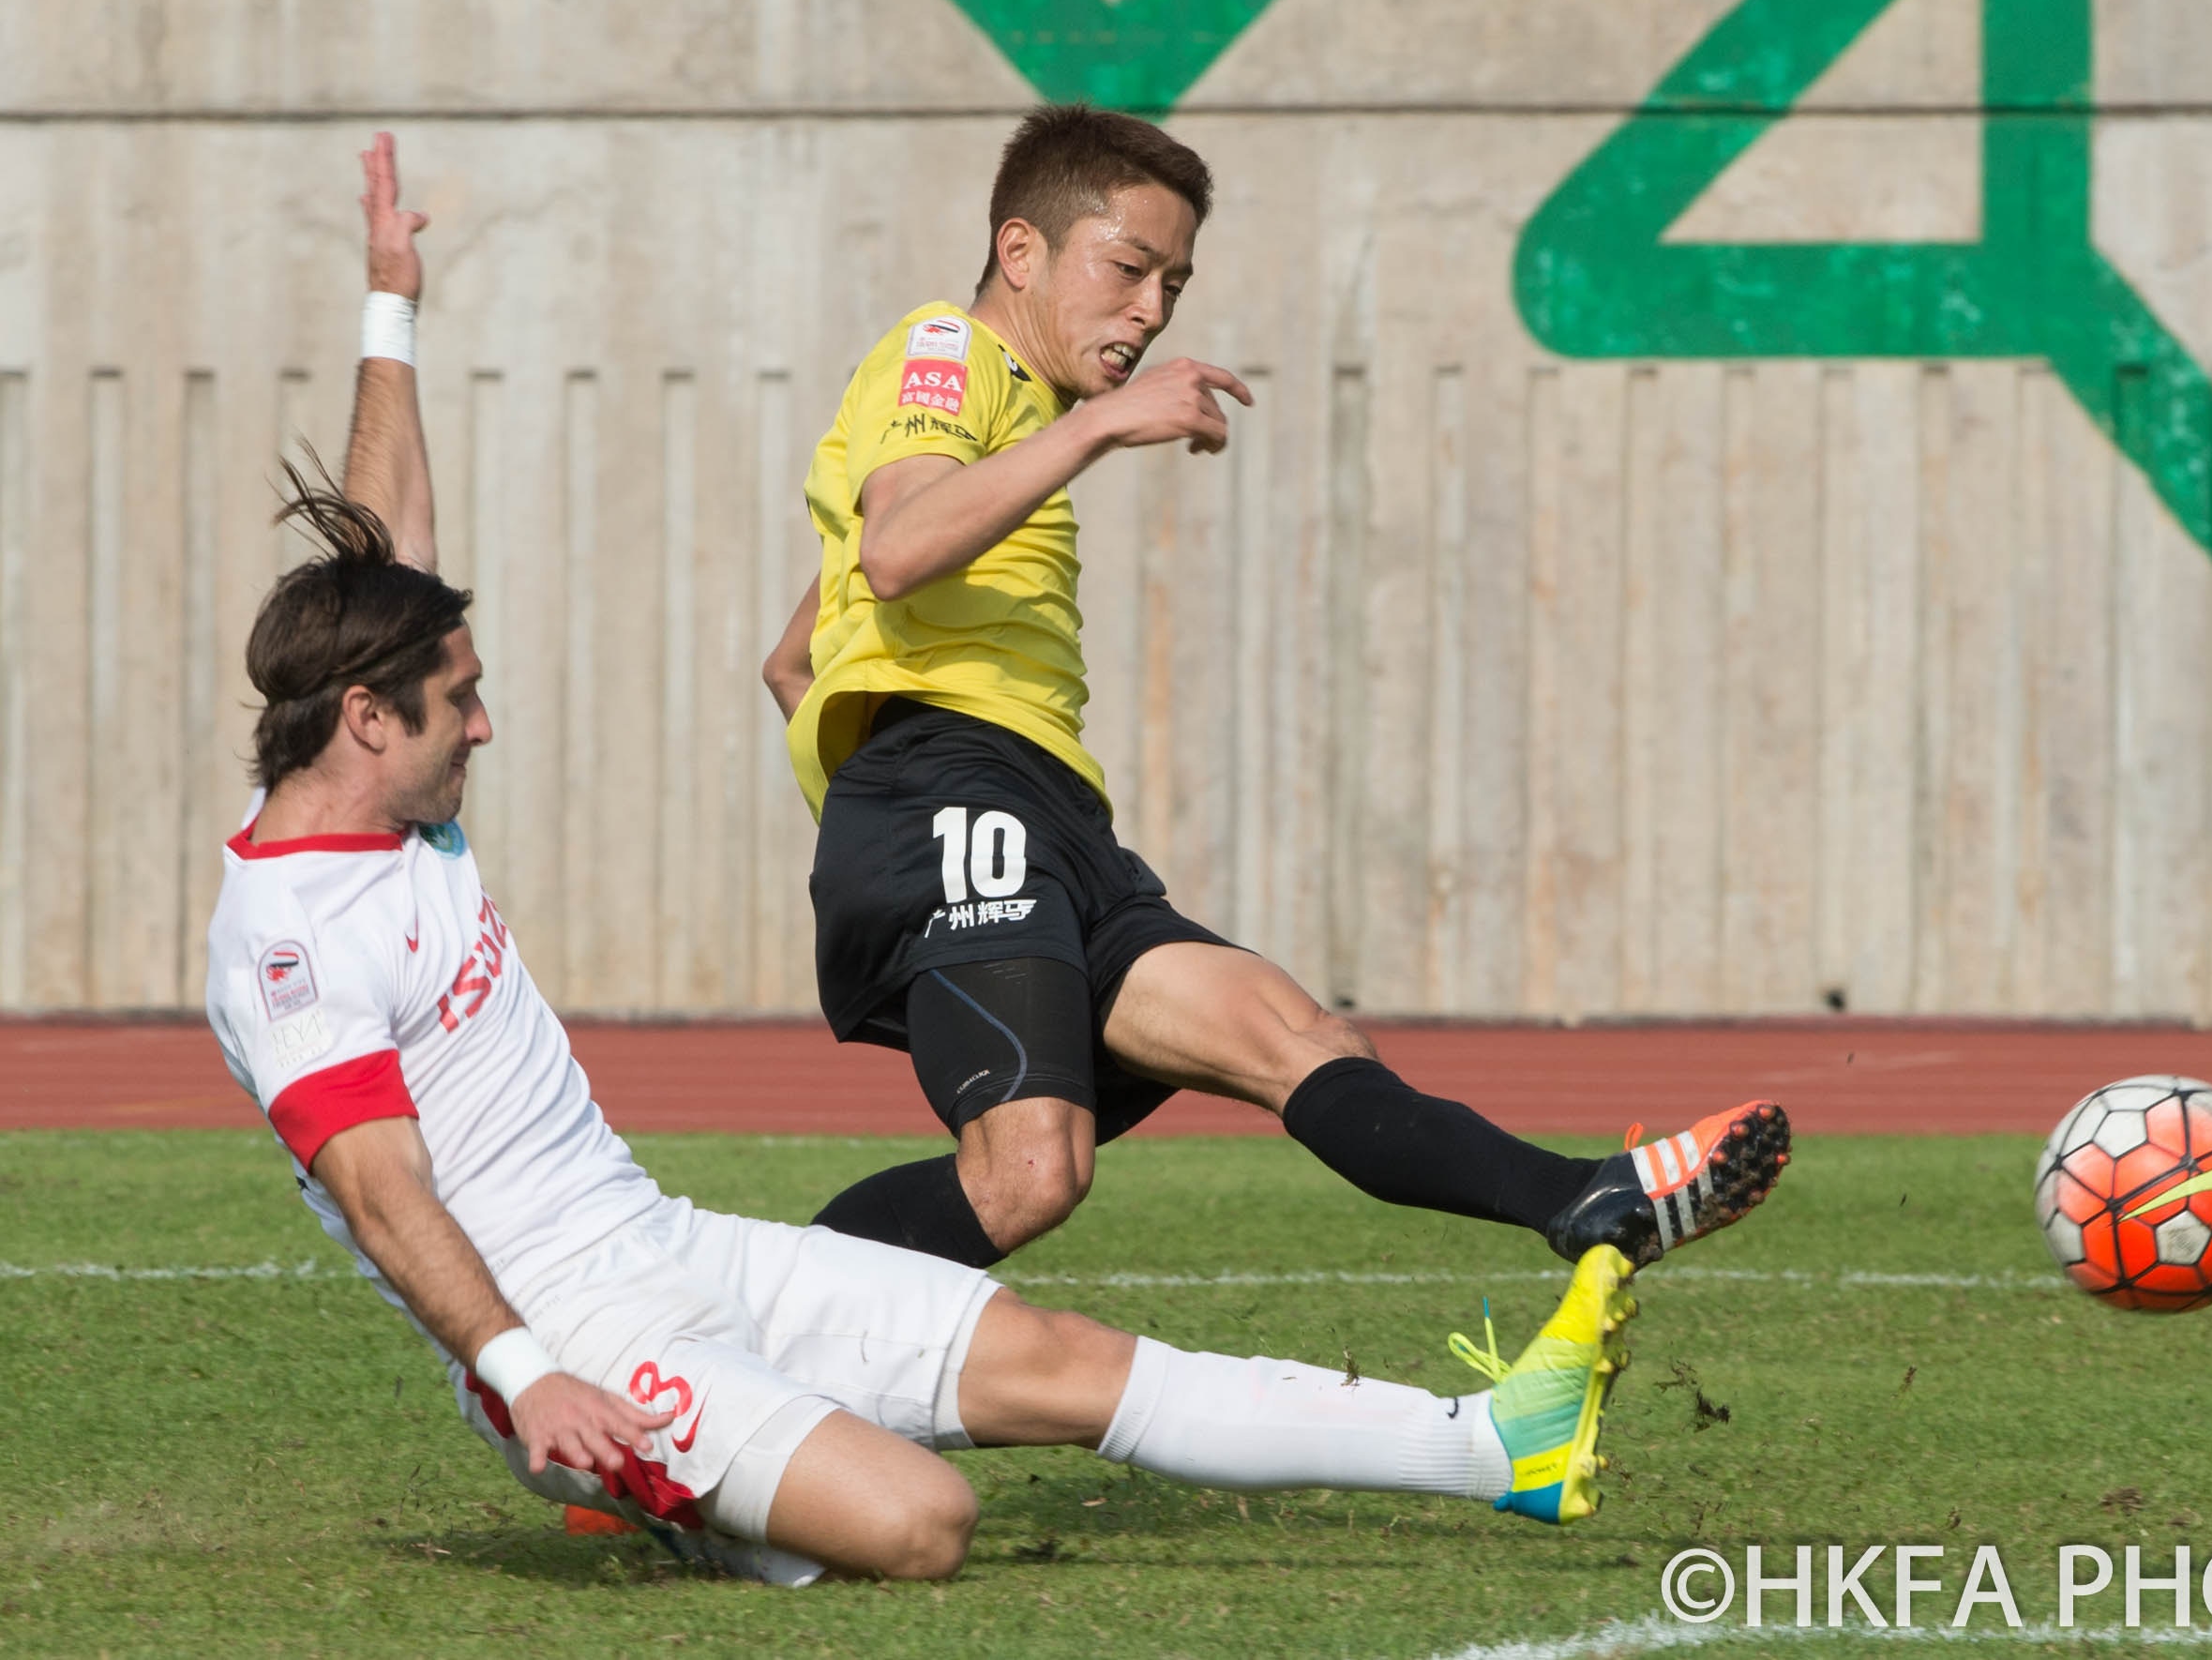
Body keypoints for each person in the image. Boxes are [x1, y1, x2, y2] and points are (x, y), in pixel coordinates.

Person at [200, 131, 1647, 1590]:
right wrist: (526, 1376)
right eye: (463, 703)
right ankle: (667, 1487)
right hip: (581, 1340)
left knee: (1059, 1357)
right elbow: (387, 1198)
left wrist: (392, 303)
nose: (489, 725)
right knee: (920, 1523)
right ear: (368, 718)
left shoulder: (400, 799)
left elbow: (384, 557)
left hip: (677, 1250)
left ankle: (1493, 1442)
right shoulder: (291, 935)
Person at [765, 104, 1790, 1270]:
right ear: (1020, 253)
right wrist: (905, 812)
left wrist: (873, 821)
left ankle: (1591, 1200)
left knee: (1290, 1032)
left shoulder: (1013, 422)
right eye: (1129, 268)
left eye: (1175, 285)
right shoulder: (949, 351)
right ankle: (728, 1342)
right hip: (960, 789)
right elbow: (897, 551)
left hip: (1037, 814)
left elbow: (799, 654)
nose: (1151, 311)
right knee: (1029, 1171)